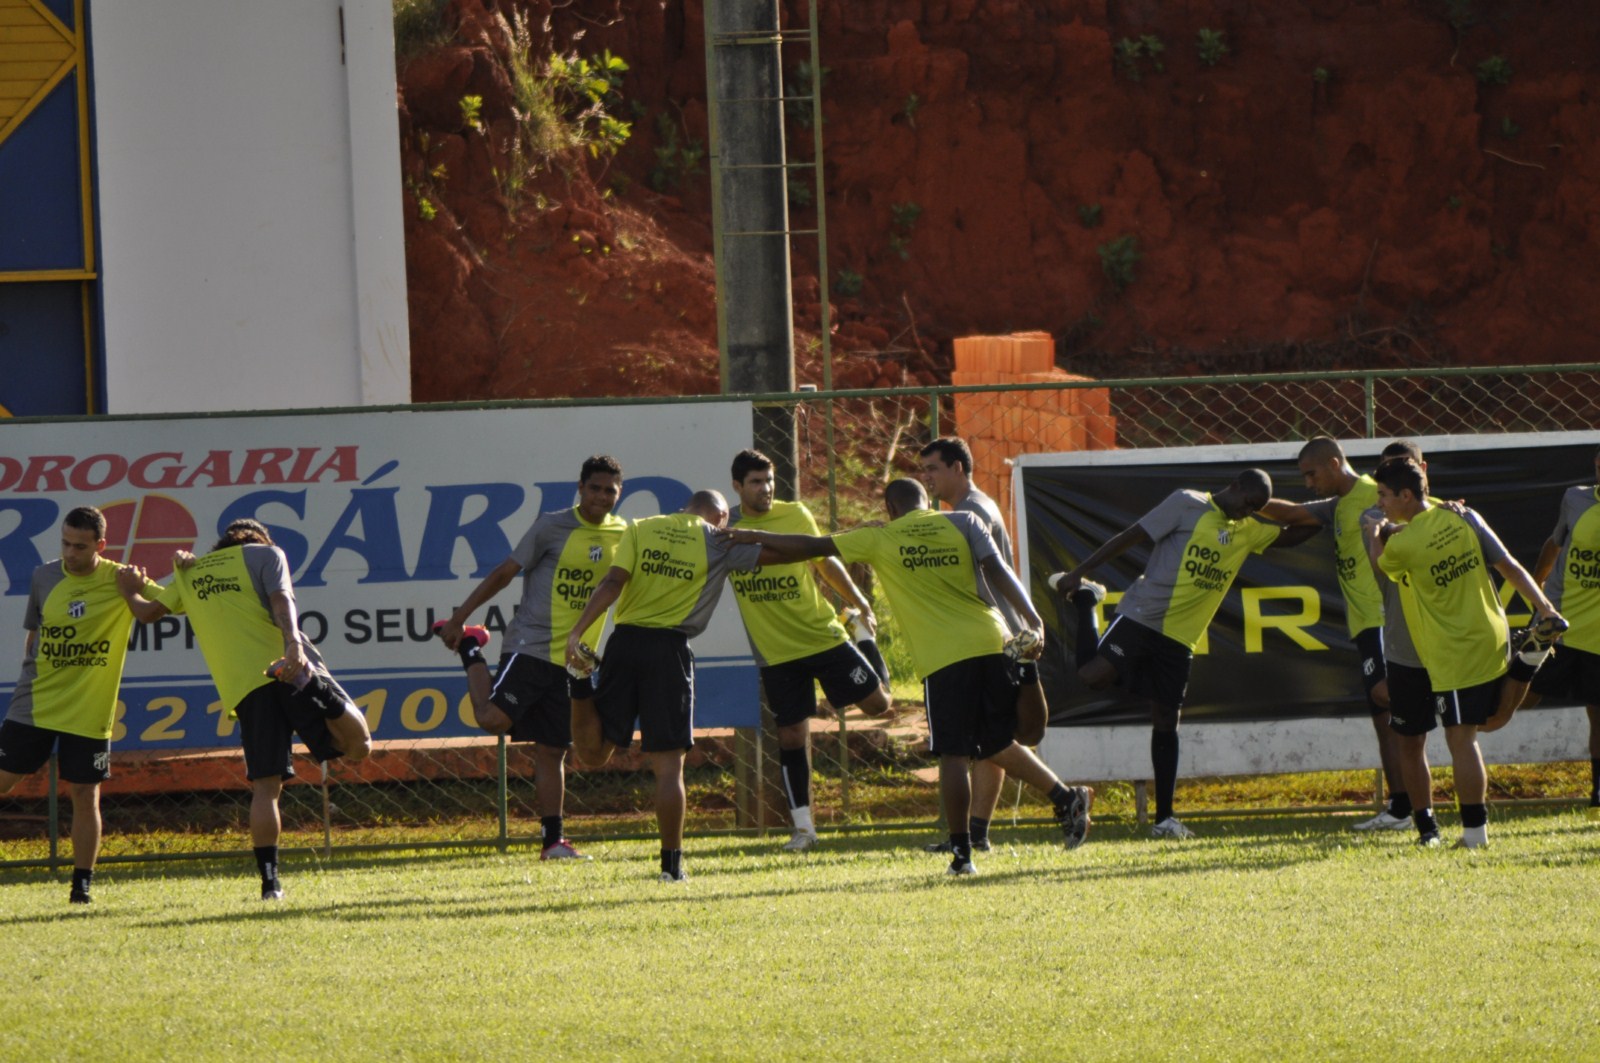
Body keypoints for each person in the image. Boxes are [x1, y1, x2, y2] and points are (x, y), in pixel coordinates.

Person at [724, 478, 1093, 877]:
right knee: (995, 741)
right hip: (993, 638)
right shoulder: (963, 521)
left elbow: (812, 548)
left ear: (889, 509)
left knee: (954, 753)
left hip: (944, 654)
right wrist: (1033, 618)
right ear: (927, 502)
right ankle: (1064, 796)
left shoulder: (881, 537)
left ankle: (962, 855)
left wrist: (748, 536)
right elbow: (998, 569)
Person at [1048, 470, 1321, 839]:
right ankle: (1086, 600)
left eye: (1256, 508)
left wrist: (1273, 509)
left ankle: (1165, 819)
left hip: (1181, 637)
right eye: (1248, 502)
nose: (1248, 511)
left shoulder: (1248, 530)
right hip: (1143, 615)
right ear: (1235, 486)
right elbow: (1132, 536)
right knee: (1092, 676)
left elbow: (1302, 531)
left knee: (1166, 719)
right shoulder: (1187, 503)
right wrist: (1080, 572)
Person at [117, 519, 372, 899]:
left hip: (245, 688)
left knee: (266, 788)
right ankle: (314, 686)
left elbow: (147, 613)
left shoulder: (192, 572)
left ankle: (271, 884)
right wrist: (294, 646)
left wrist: (129, 590)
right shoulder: (267, 554)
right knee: (358, 747)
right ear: (260, 540)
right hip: (286, 667)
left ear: (221, 546)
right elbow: (281, 598)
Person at [433, 455, 626, 860]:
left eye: (610, 490)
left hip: (574, 663)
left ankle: (553, 841)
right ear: (580, 488)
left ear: (619, 493)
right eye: (595, 488)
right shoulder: (552, 526)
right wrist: (459, 617)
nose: (602, 496)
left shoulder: (625, 534)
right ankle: (471, 647)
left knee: (553, 749)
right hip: (532, 646)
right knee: (491, 720)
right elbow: (505, 572)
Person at [563, 490, 762, 882]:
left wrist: (577, 631)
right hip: (668, 650)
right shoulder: (717, 538)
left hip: (624, 643)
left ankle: (580, 681)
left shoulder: (642, 527)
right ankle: (671, 868)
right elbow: (782, 554)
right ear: (720, 516)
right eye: (725, 521)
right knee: (670, 767)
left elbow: (613, 582)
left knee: (593, 755)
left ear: (684, 505)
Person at [1369, 458, 1562, 848]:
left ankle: (1474, 835)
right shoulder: (1464, 515)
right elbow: (1508, 564)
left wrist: (1377, 531)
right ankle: (1525, 662)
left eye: (1384, 495)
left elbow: (1381, 564)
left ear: (1406, 495)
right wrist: (1545, 608)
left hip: (1452, 648)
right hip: (1492, 634)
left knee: (1463, 740)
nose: (1381, 502)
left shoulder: (1403, 544)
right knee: (1491, 720)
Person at [726, 449, 890, 852]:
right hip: (776, 653)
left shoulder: (795, 514)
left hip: (822, 637)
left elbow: (823, 559)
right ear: (737, 486)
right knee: (792, 736)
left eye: (769, 481)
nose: (765, 489)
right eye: (755, 482)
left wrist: (857, 599)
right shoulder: (724, 526)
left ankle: (862, 636)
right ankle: (803, 828)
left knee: (878, 705)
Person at [0, 507, 162, 904]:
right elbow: (34, 635)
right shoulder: (44, 576)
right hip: (36, 702)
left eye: (80, 546)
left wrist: (137, 590)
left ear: (100, 545)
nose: (71, 553)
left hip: (89, 710)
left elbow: (171, 605)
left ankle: (82, 886)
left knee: (85, 796)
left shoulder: (121, 577)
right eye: (66, 543)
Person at [1258, 437, 1410, 831]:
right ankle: (1402, 806)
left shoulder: (1375, 494)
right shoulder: (1338, 506)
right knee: (1383, 716)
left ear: (1334, 462)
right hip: (1364, 626)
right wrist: (1246, 502)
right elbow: (1293, 513)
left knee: (1391, 708)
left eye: (1312, 473)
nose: (1308, 482)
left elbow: (1425, 512)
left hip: (1384, 619)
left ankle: (1407, 807)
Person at [918, 436, 1049, 854]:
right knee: (990, 738)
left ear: (958, 468)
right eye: (924, 471)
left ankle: (1065, 797)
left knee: (988, 737)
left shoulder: (970, 512)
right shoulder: (973, 507)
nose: (927, 478)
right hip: (1000, 633)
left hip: (991, 635)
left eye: (933, 469)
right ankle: (977, 834)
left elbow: (988, 576)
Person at [1524, 443, 1600, 816]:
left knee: (1598, 714)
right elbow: (1553, 545)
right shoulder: (1575, 499)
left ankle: (1597, 797)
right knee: (1519, 695)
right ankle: (1466, 749)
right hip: (1557, 624)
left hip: (1597, 636)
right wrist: (1536, 597)